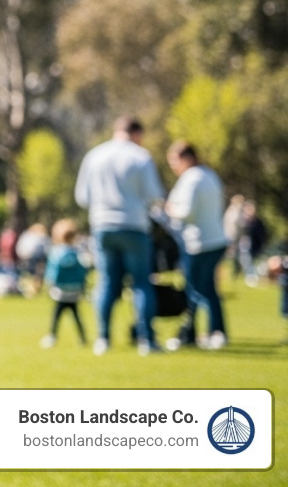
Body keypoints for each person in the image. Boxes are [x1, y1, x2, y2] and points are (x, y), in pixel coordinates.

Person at [74, 115, 165, 355]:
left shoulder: (94, 155)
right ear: (136, 133)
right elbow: (154, 195)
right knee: (142, 283)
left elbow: (82, 197)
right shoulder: (140, 156)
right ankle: (147, 340)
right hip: (134, 226)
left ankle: (103, 338)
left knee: (106, 283)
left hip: (103, 226)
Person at [164, 140, 229, 350]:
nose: (173, 166)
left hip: (198, 242)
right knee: (207, 288)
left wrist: (169, 209)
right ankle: (201, 332)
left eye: (175, 160)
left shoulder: (191, 179)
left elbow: (185, 212)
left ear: (187, 158)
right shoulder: (210, 174)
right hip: (216, 239)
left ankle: (209, 333)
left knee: (197, 290)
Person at [41, 219, 89, 348]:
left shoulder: (56, 253)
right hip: (74, 291)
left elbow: (52, 273)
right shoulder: (77, 253)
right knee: (76, 316)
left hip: (60, 291)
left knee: (56, 316)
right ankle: (83, 338)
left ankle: (52, 336)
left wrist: (48, 284)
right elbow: (83, 272)